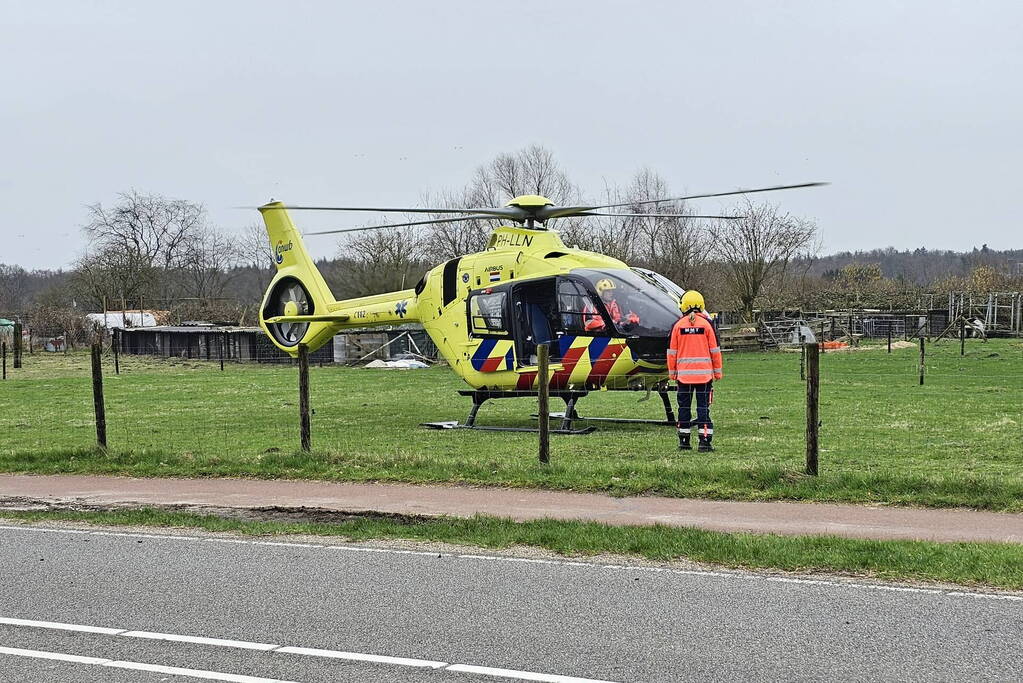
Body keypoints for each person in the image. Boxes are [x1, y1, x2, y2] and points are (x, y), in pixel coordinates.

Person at [667, 290, 722, 452]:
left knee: (684, 409)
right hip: (704, 377)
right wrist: (717, 372)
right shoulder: (707, 325)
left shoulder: (678, 325)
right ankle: (704, 443)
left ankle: (684, 442)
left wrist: (672, 373)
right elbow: (715, 350)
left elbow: (671, 352)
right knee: (703, 409)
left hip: (683, 377)